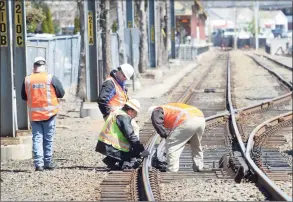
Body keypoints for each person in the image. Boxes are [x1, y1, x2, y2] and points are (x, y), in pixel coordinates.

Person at [21, 57, 65, 171]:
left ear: (34, 67)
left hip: (34, 115)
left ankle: (38, 164)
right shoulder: (50, 78)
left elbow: (23, 96)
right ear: (44, 66)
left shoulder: (28, 79)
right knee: (48, 139)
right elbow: (61, 93)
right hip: (49, 114)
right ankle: (48, 162)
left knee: (37, 138)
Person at [148, 103, 206, 173]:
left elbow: (157, 123)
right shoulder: (170, 109)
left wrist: (165, 134)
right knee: (196, 145)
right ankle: (199, 166)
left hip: (188, 120)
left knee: (173, 145)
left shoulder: (156, 110)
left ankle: (172, 170)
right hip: (201, 119)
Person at [96, 99, 149, 170]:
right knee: (133, 154)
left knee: (132, 151)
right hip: (111, 146)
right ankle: (120, 163)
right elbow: (130, 135)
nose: (136, 116)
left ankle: (111, 160)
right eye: (135, 113)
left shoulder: (118, 113)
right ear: (130, 111)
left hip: (105, 144)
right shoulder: (123, 117)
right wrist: (141, 149)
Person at [97, 63, 140, 138]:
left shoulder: (120, 83)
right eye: (124, 76)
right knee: (133, 128)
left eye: (126, 78)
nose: (124, 78)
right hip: (114, 115)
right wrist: (108, 115)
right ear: (119, 71)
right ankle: (135, 148)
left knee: (130, 131)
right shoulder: (110, 83)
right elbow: (102, 100)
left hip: (121, 114)